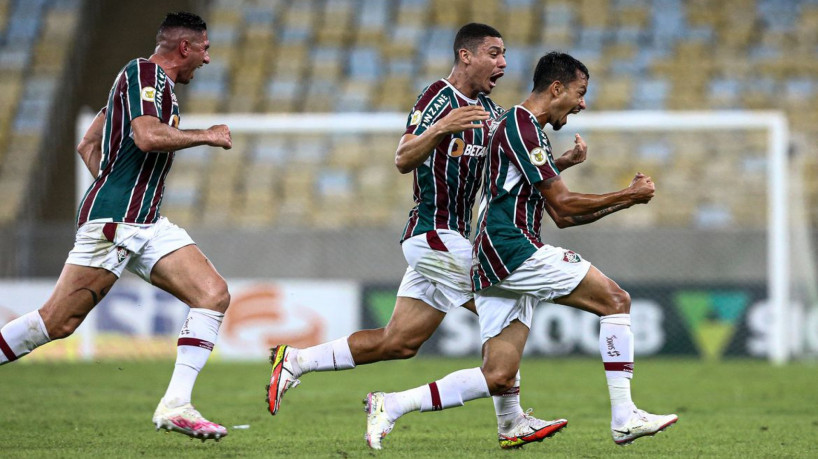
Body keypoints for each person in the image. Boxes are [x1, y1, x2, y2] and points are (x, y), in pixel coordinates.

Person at [266, 24, 585, 450]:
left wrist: (557, 165)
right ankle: (508, 422)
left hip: (456, 241)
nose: (503, 63)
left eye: (505, 54)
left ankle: (296, 361)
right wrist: (440, 128)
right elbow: (402, 157)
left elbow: (508, 175)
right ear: (466, 55)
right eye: (494, 53)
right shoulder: (438, 98)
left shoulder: (491, 113)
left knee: (399, 341)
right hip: (432, 234)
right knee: (506, 301)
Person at [363, 52, 678, 449]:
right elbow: (563, 208)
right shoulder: (521, 124)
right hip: (513, 250)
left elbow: (553, 210)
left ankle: (390, 405)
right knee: (616, 300)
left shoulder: (523, 129)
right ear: (556, 88)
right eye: (580, 93)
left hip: (495, 256)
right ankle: (624, 416)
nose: (582, 104)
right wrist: (628, 195)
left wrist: (597, 185)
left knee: (498, 374)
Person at [0, 12, 232, 441]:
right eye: (204, 49)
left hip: (144, 222)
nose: (208, 59)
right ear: (185, 47)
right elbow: (146, 137)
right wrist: (208, 135)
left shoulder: (151, 89)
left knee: (213, 294)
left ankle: (176, 405)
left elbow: (87, 142)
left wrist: (114, 186)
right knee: (56, 323)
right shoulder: (143, 73)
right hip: (118, 222)